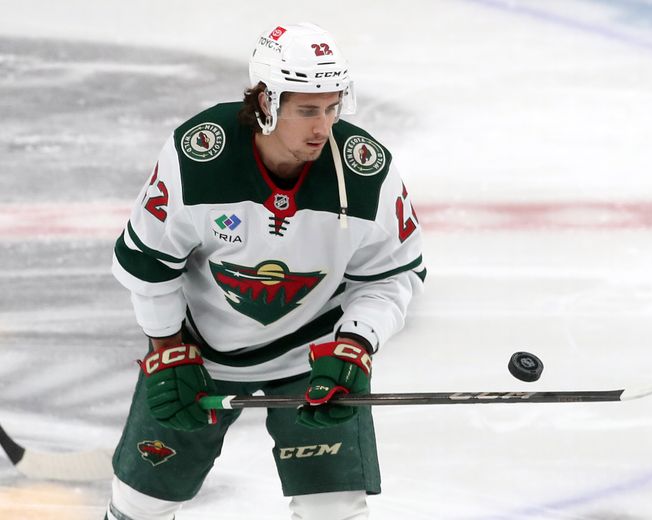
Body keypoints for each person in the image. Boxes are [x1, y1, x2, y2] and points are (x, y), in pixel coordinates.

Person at [106, 22, 424, 520]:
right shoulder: (199, 157)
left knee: (335, 510)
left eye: (332, 107)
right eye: (307, 111)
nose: (324, 127)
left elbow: (390, 277)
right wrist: (166, 346)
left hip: (313, 355)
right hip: (199, 352)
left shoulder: (366, 172)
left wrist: (355, 345)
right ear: (264, 102)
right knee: (141, 505)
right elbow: (150, 263)